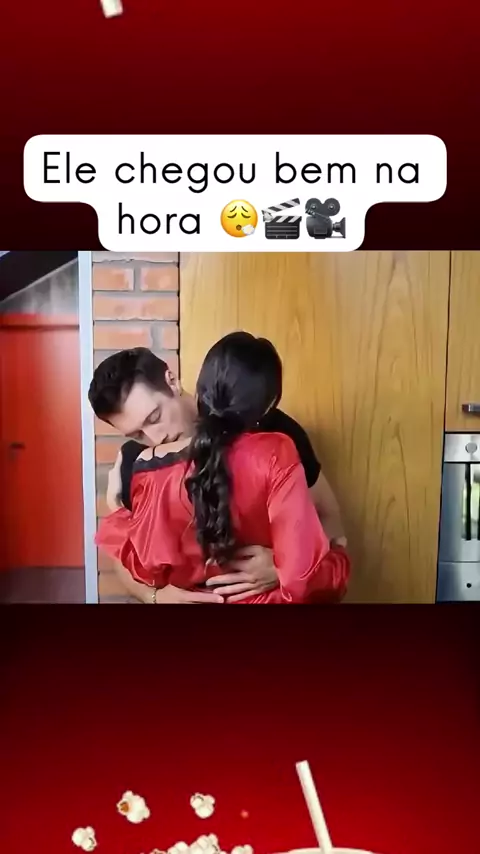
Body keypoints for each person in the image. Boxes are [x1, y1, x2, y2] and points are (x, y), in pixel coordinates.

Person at [90, 333, 350, 604]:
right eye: (136, 434)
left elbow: (329, 516)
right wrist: (156, 596)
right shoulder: (138, 461)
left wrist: (282, 566)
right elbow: (124, 555)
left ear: (172, 381)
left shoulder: (270, 428)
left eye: (155, 417)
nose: (155, 438)